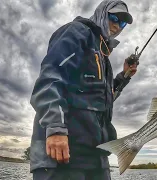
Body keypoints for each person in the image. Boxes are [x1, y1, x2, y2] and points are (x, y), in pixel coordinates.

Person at [29, 0, 138, 179]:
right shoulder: (77, 32)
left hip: (96, 158)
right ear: (102, 12)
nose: (117, 26)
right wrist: (56, 129)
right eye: (114, 18)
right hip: (64, 155)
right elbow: (50, 79)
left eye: (122, 23)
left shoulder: (104, 58)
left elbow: (103, 100)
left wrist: (124, 76)